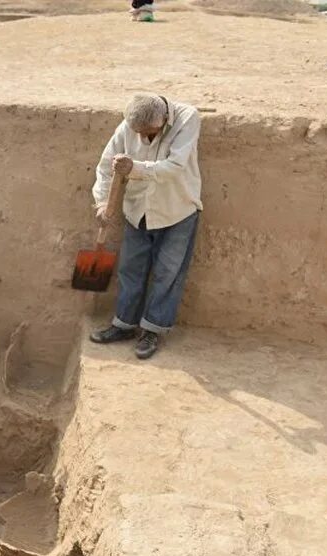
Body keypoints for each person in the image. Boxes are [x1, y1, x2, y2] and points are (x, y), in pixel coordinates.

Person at [90, 93, 202, 359]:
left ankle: (152, 330)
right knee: (131, 269)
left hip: (177, 209)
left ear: (163, 120)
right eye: (138, 133)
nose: (142, 137)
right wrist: (101, 204)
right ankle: (124, 325)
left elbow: (174, 167)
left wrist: (134, 167)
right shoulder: (129, 126)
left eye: (148, 133)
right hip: (137, 211)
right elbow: (106, 168)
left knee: (168, 273)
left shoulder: (188, 118)